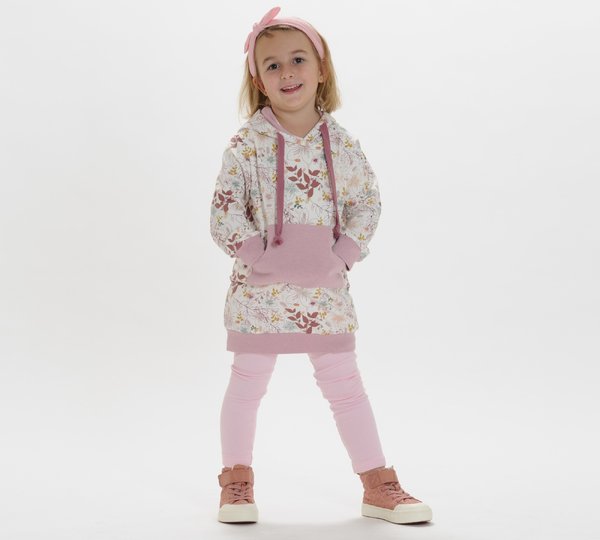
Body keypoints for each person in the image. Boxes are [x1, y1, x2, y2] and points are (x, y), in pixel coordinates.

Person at [209, 6, 433, 525]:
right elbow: (224, 210)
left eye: (298, 60)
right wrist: (257, 256)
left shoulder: (344, 144)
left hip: (324, 293)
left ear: (321, 68)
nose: (287, 73)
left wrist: (343, 255)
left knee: (345, 387)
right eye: (272, 65)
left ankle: (378, 484)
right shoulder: (245, 145)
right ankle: (236, 483)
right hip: (260, 293)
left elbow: (366, 203)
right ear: (258, 80)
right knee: (247, 382)